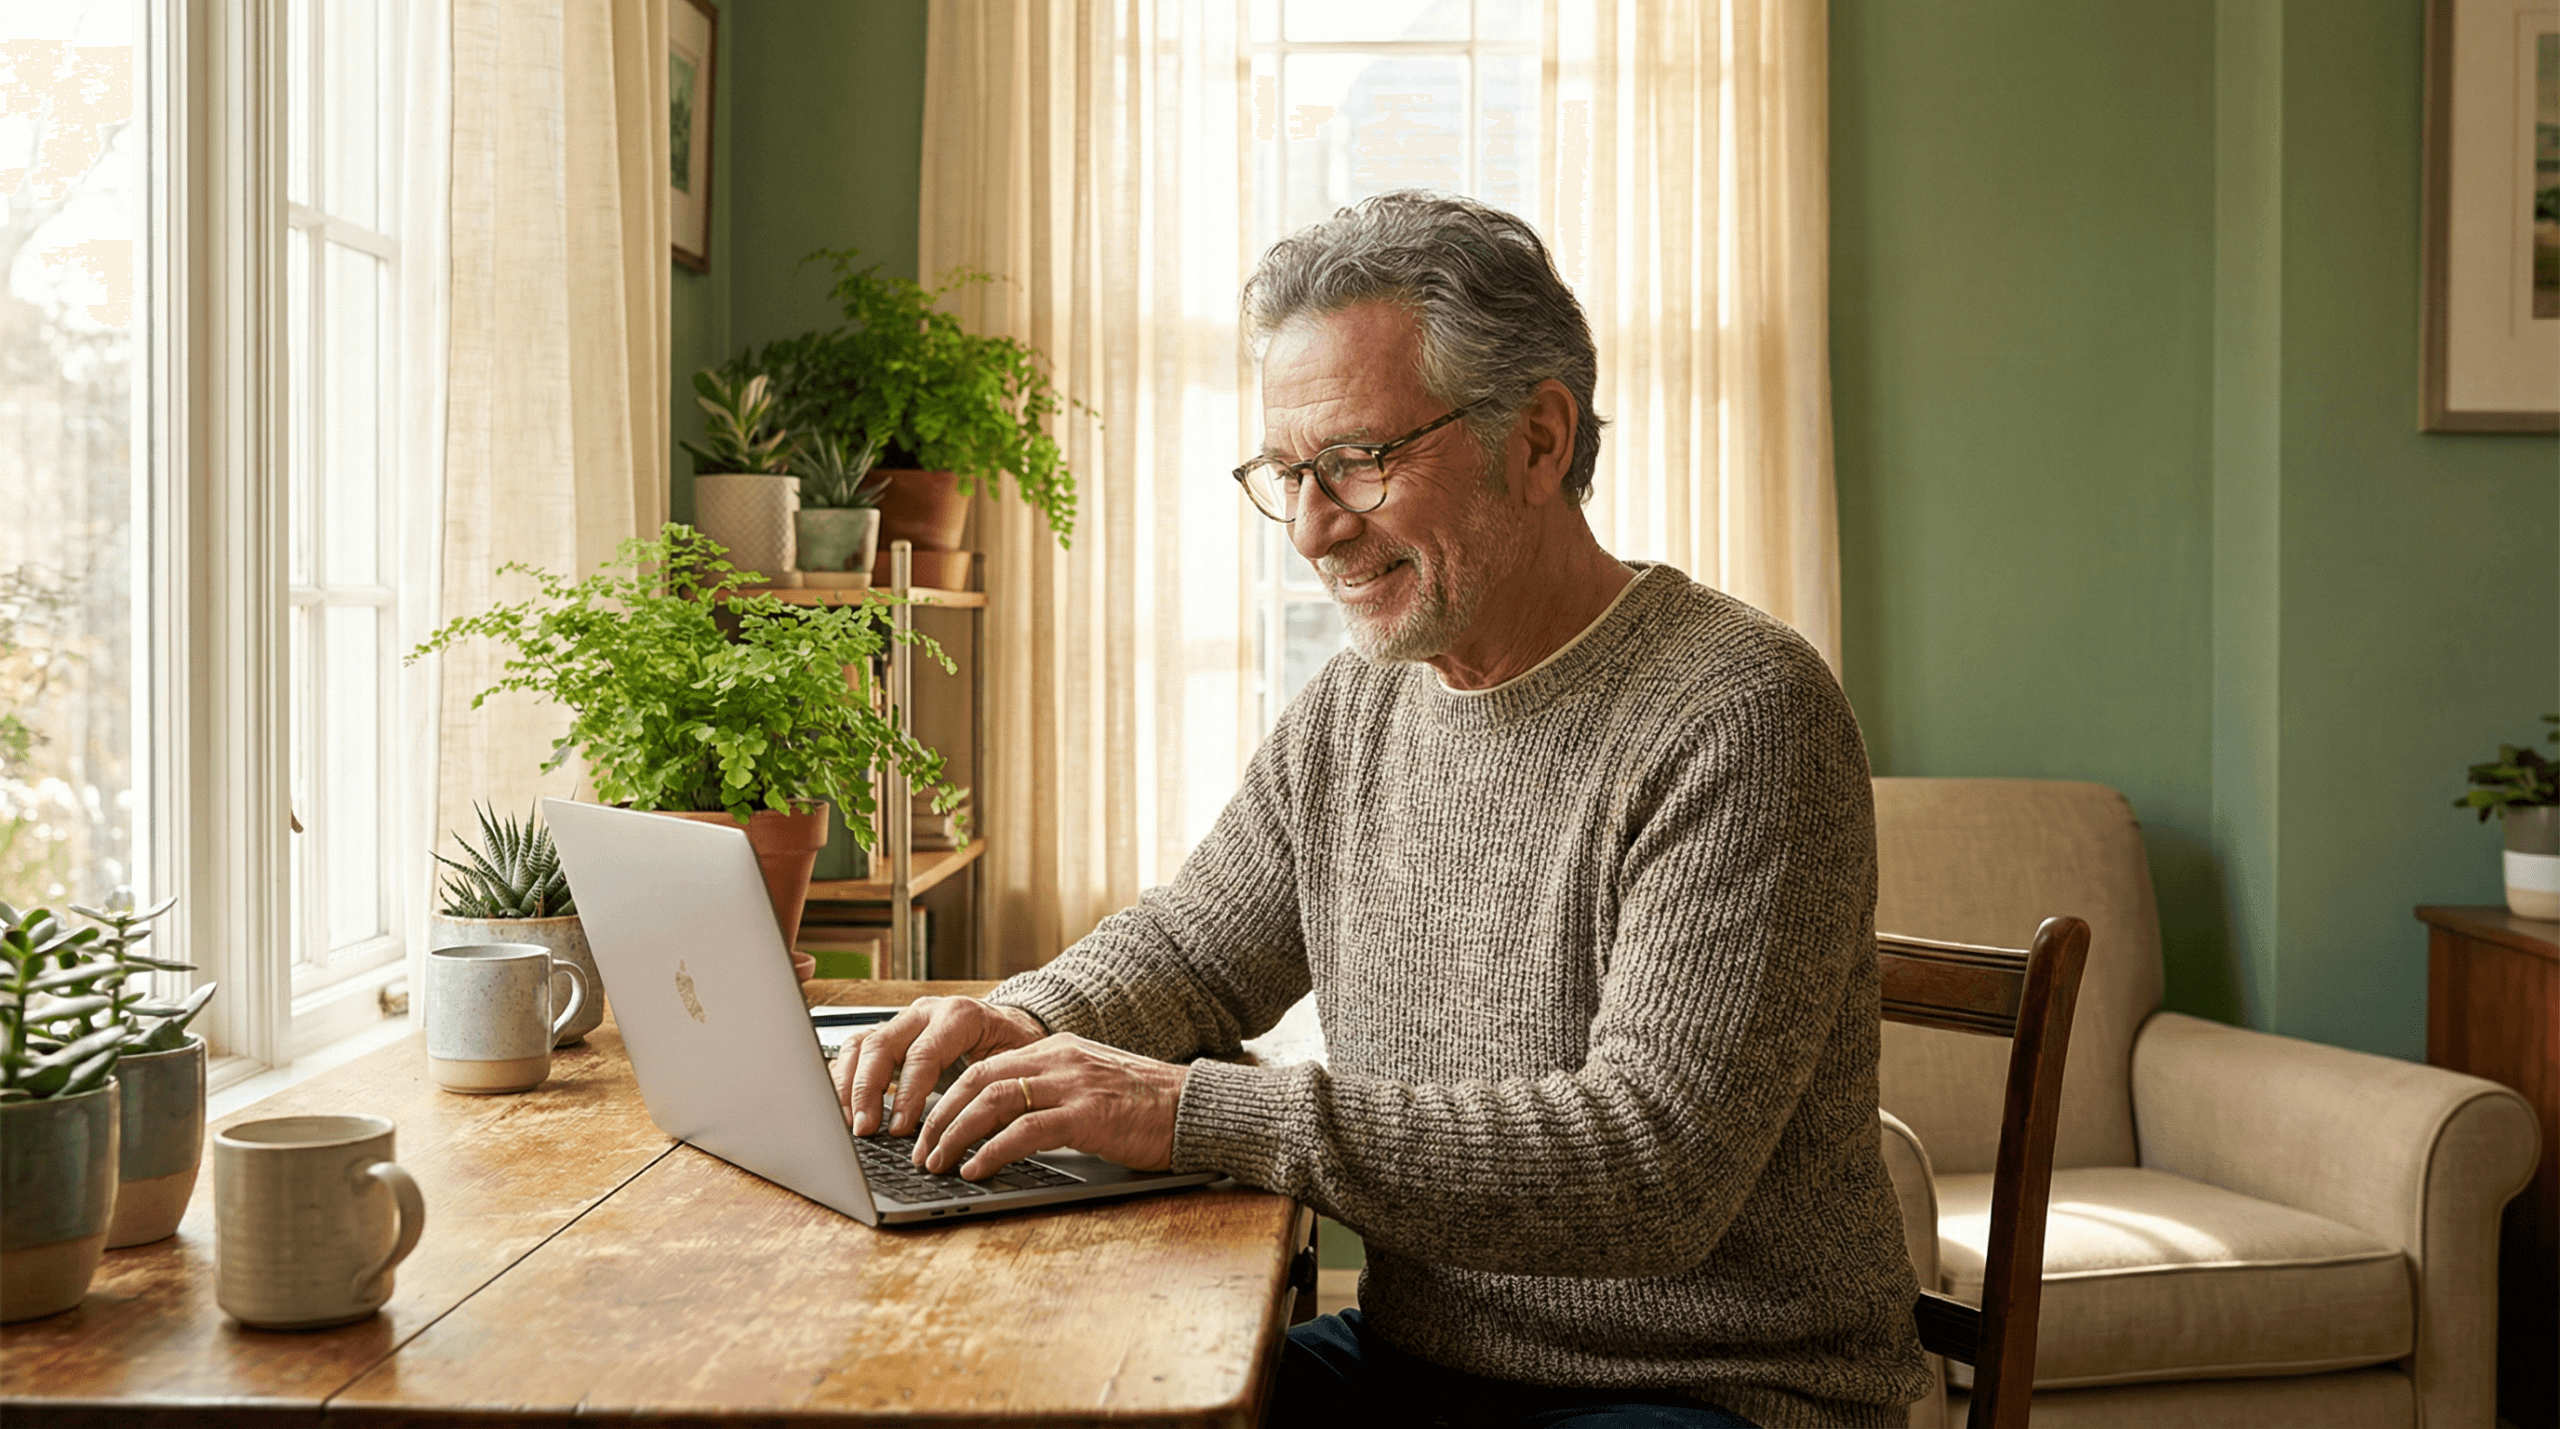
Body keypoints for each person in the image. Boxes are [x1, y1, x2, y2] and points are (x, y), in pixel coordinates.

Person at [832, 191, 1928, 1429]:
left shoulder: (1739, 709)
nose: (1310, 528)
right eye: (1287, 473)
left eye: (1356, 461)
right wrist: (1011, 1022)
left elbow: (1648, 1166)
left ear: (1538, 438)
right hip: (1426, 1365)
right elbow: (1193, 950)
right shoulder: (1357, 707)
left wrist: (1181, 1111)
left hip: (1715, 1391)